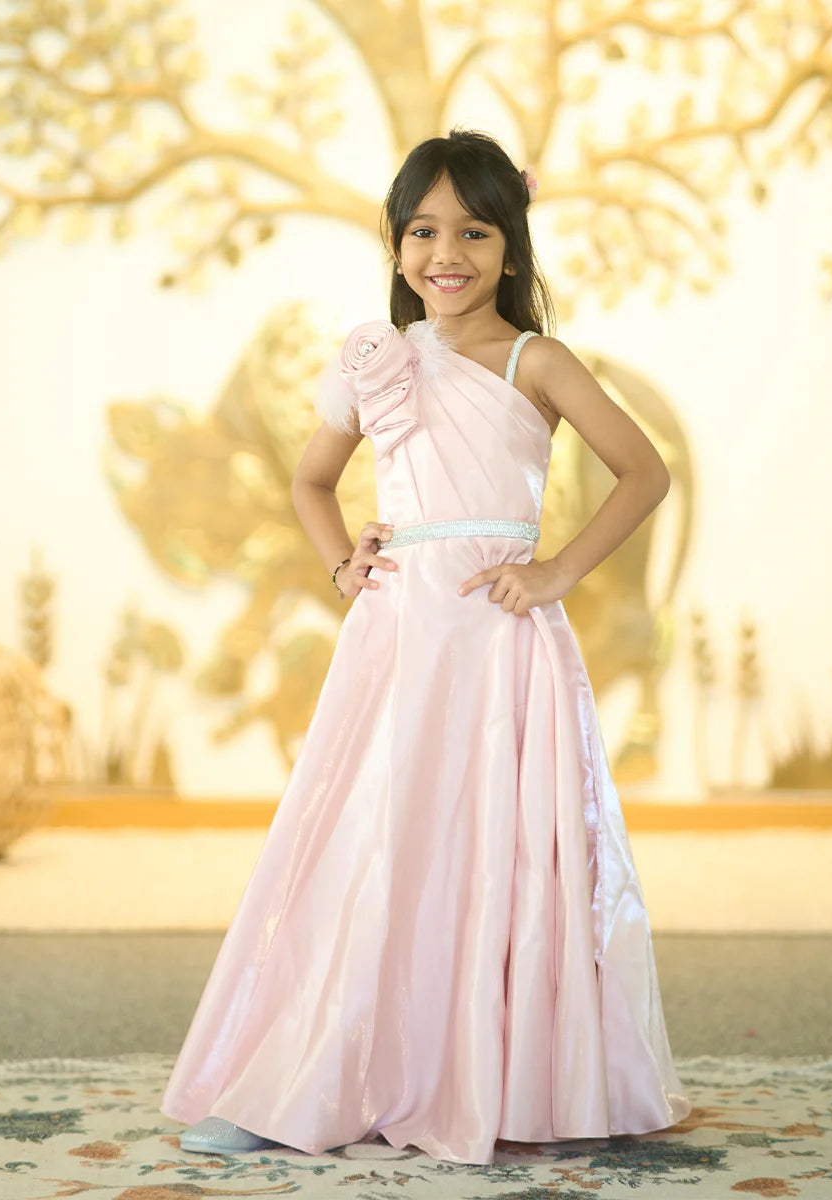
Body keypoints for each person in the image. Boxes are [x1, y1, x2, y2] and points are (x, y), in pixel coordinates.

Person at [160, 127, 692, 1166]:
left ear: (509, 244)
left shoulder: (536, 360)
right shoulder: (379, 360)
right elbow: (312, 482)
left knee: (504, 851)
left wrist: (554, 572)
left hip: (498, 645)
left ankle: (511, 1082)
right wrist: (341, 561)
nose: (444, 252)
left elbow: (642, 472)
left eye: (472, 230)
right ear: (397, 244)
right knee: (370, 843)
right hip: (398, 642)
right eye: (421, 230)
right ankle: (306, 1075)